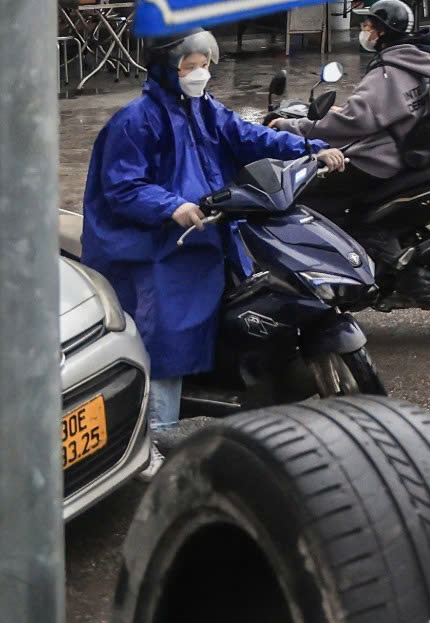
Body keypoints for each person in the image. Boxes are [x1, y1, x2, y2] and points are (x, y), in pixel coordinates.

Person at [84, 30, 345, 437]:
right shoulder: (135, 121)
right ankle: (157, 437)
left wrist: (308, 148)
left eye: (204, 65)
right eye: (189, 67)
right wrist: (172, 206)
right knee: (167, 340)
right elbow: (123, 187)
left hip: (203, 236)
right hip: (155, 251)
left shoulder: (204, 108)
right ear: (167, 69)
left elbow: (249, 136)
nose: (199, 74)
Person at [269, 0, 430, 177]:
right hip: (407, 151)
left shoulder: (387, 73)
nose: (363, 32)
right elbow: (386, 109)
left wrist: (290, 126)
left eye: (367, 27)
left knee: (308, 187)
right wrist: (347, 110)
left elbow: (348, 123)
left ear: (382, 33)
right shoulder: (420, 63)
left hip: (379, 163)